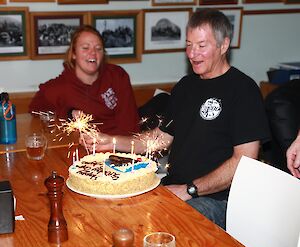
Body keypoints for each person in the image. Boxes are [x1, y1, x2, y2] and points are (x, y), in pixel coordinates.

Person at [82, 9, 270, 229]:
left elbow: (244, 162)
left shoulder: (243, 90)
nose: (192, 53)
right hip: (174, 188)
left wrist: (189, 189)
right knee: (114, 210)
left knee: (162, 227)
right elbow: (158, 140)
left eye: (201, 45)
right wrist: (110, 141)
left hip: (218, 200)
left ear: (224, 45)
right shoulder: (185, 87)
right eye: (189, 44)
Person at [29, 25, 140, 136]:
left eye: (98, 48)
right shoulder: (62, 85)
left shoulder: (117, 76)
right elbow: (34, 107)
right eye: (85, 48)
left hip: (119, 146)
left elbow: (130, 127)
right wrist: (68, 113)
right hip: (82, 149)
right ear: (73, 54)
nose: (93, 53)